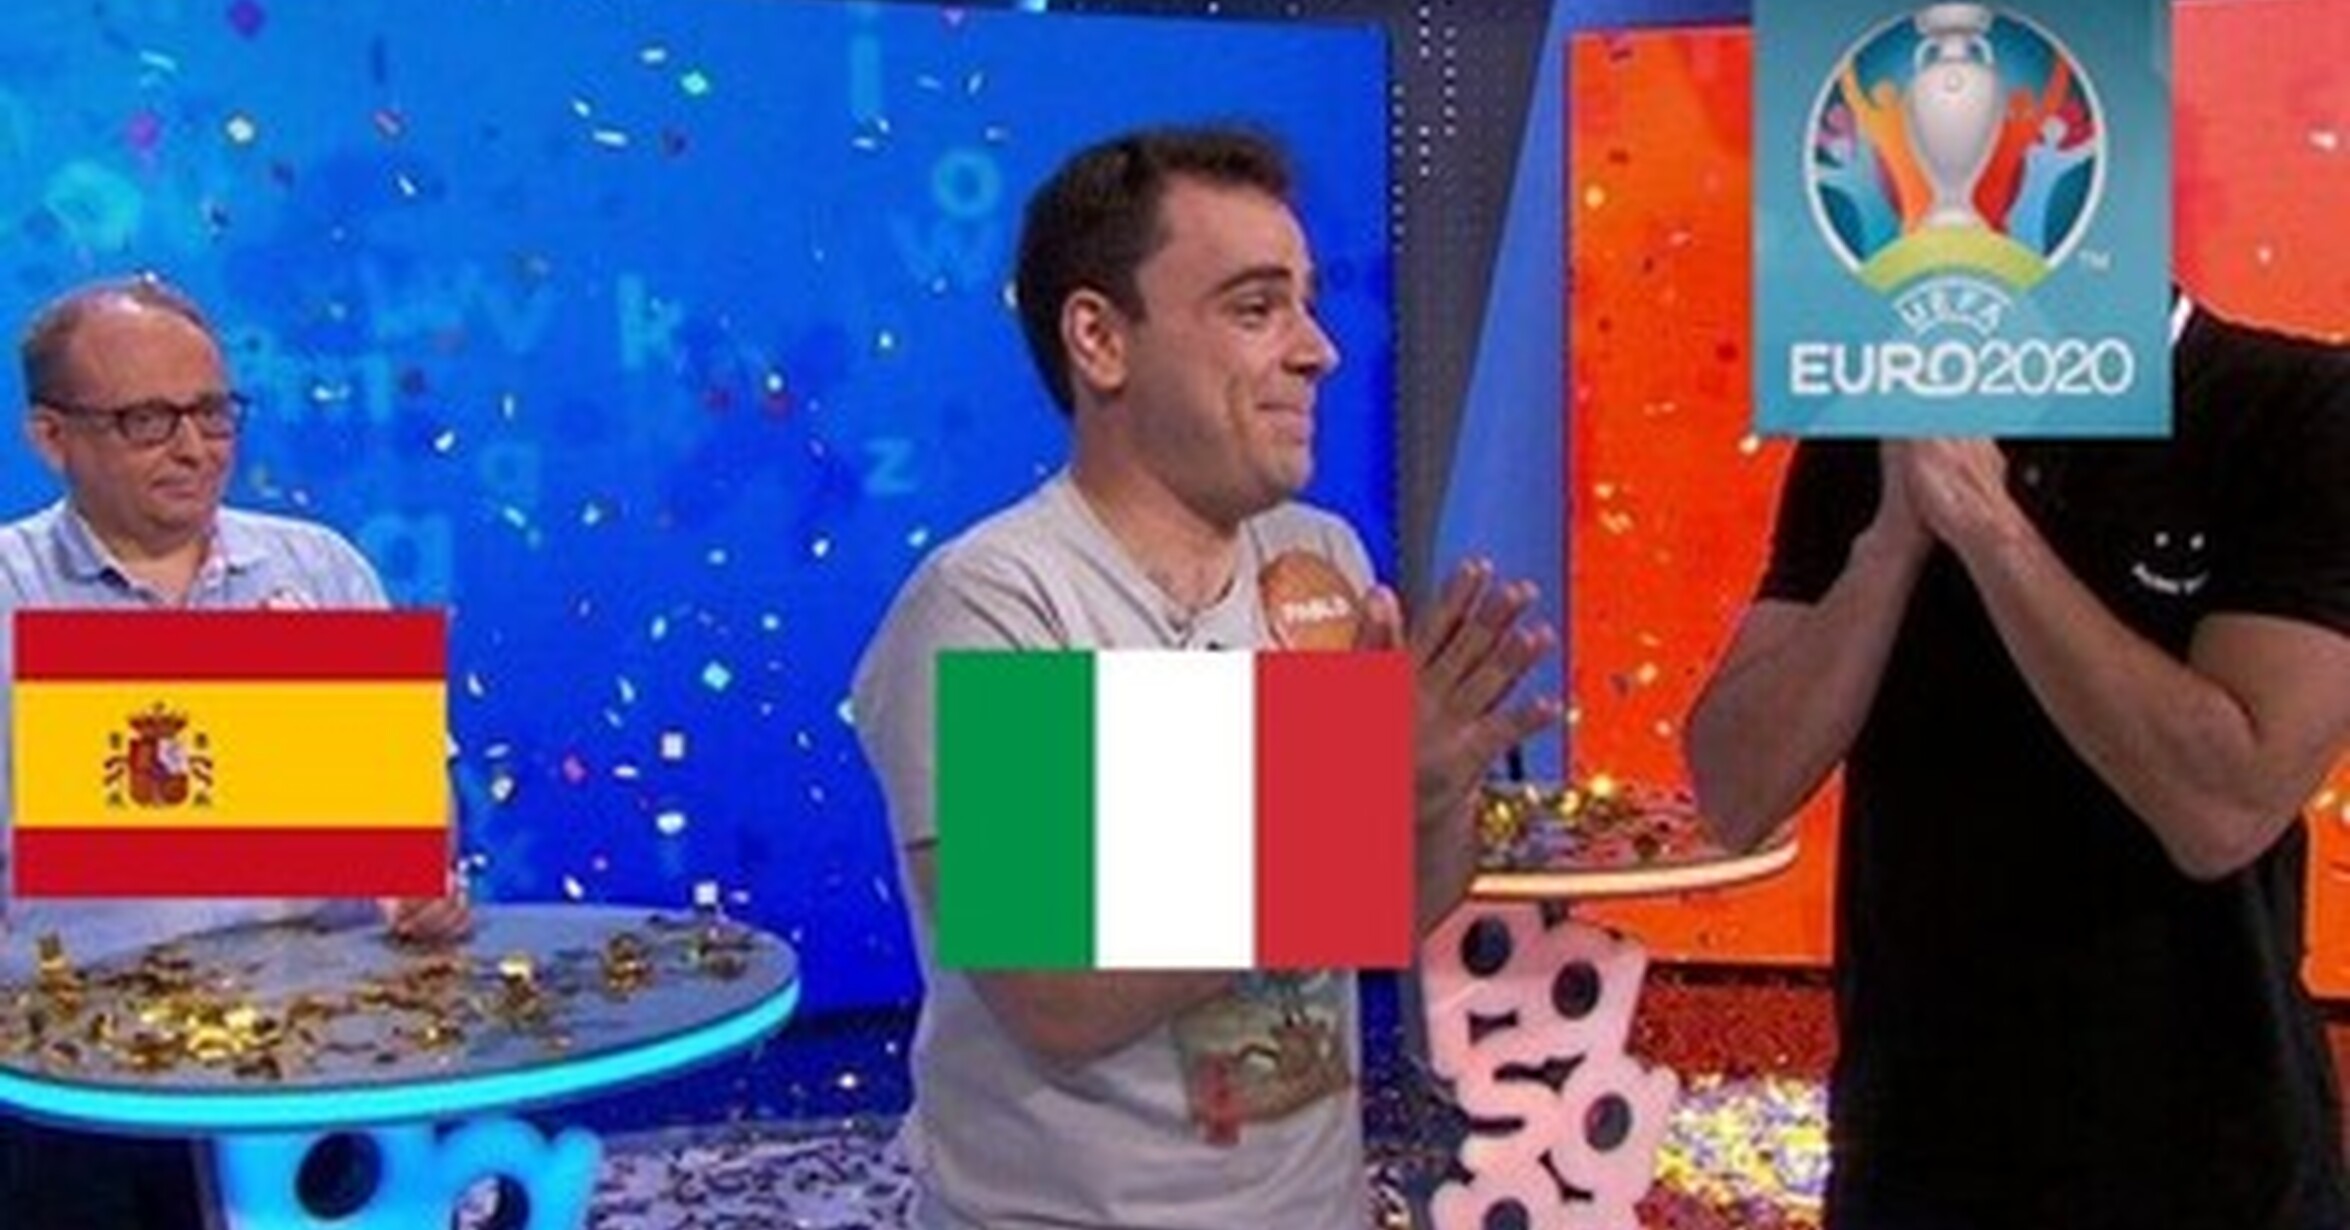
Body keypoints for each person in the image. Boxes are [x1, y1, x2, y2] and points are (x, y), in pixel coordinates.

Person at [852, 126, 1558, 1228]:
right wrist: (1352, 786)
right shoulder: (997, 602)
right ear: (1100, 339)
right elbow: (1059, 992)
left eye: (1308, 304)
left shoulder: (1320, 560)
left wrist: (1431, 792)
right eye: (1255, 307)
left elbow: (1383, 910)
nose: (1318, 350)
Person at [1685, 292, 2350, 1230]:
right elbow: (1734, 790)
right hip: (1914, 1166)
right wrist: (1890, 546)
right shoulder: (1873, 429)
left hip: (2211, 1171)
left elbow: (2224, 808)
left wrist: (1989, 528)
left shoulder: (2292, 408)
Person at [0, 274, 471, 1230]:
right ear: (51, 437)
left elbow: (417, 819)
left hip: (321, 1067)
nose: (195, 447)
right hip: (77, 1092)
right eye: (147, 420)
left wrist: (422, 884)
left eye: (213, 412)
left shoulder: (321, 569)